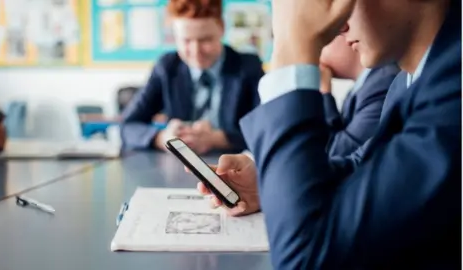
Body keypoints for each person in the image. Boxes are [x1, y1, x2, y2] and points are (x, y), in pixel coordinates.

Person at [195, 0, 461, 268]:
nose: (340, 26)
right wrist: (270, 183)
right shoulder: (408, 82)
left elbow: (305, 261)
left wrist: (294, 46)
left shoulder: (454, 90)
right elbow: (363, 166)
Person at [120, 0, 263, 155]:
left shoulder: (248, 67)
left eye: (205, 40)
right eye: (186, 41)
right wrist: (163, 138)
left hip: (233, 166)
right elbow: (128, 126)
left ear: (222, 28)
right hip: (175, 169)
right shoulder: (167, 67)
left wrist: (217, 138)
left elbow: (265, 130)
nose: (196, 51)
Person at [320, 35, 399, 157]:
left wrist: (323, 94)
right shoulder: (358, 91)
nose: (316, 57)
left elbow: (336, 154)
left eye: (320, 44)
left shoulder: (383, 83)